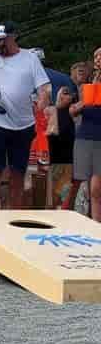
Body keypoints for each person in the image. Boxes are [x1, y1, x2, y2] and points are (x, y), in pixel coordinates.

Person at [0, 22, 50, 210]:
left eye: (2, 39)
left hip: (23, 124)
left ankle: (13, 218)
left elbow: (44, 86)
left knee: (18, 173)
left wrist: (43, 99)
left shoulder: (30, 58)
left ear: (13, 37)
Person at [70, 46, 101, 220]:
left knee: (96, 188)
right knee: (89, 188)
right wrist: (77, 107)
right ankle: (94, 226)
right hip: (85, 136)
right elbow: (75, 110)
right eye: (96, 56)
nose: (98, 59)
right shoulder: (88, 82)